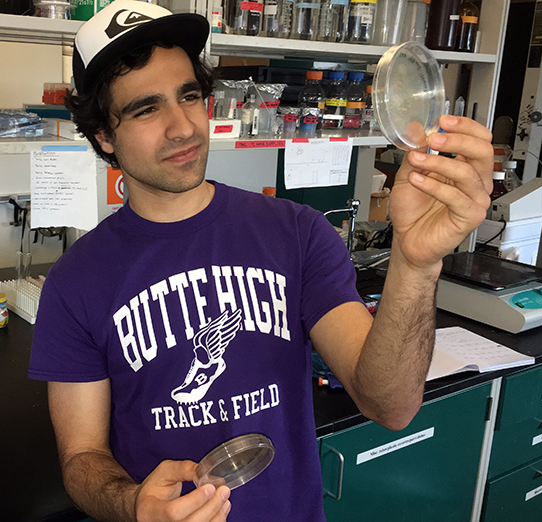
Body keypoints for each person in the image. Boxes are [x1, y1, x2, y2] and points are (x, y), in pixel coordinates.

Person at [28, 1, 494, 521]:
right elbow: (82, 459)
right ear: (104, 135)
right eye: (146, 108)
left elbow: (389, 405)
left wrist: (416, 263)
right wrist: (134, 504)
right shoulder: (75, 283)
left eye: (190, 96)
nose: (183, 127)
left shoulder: (296, 232)